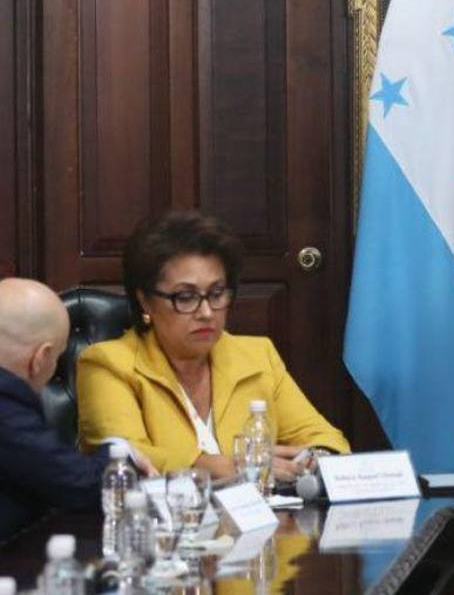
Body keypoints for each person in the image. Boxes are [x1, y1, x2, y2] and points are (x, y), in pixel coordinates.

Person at [76, 210, 349, 480]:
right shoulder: (108, 364)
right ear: (145, 300)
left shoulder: (257, 356)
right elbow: (126, 456)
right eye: (186, 297)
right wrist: (214, 465)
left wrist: (314, 459)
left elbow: (326, 439)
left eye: (217, 294)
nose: (206, 312)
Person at [0, 278, 153, 541]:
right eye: (57, 358)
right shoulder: (6, 404)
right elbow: (79, 484)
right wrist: (122, 453)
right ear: (40, 359)